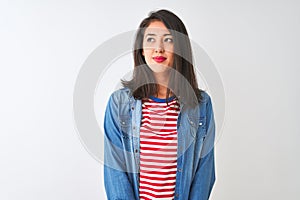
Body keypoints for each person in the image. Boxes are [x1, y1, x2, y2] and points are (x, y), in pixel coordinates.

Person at [103, 9, 216, 200]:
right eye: (150, 40)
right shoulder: (119, 103)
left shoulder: (201, 105)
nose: (158, 48)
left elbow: (204, 173)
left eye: (168, 39)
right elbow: (115, 172)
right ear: (141, 49)